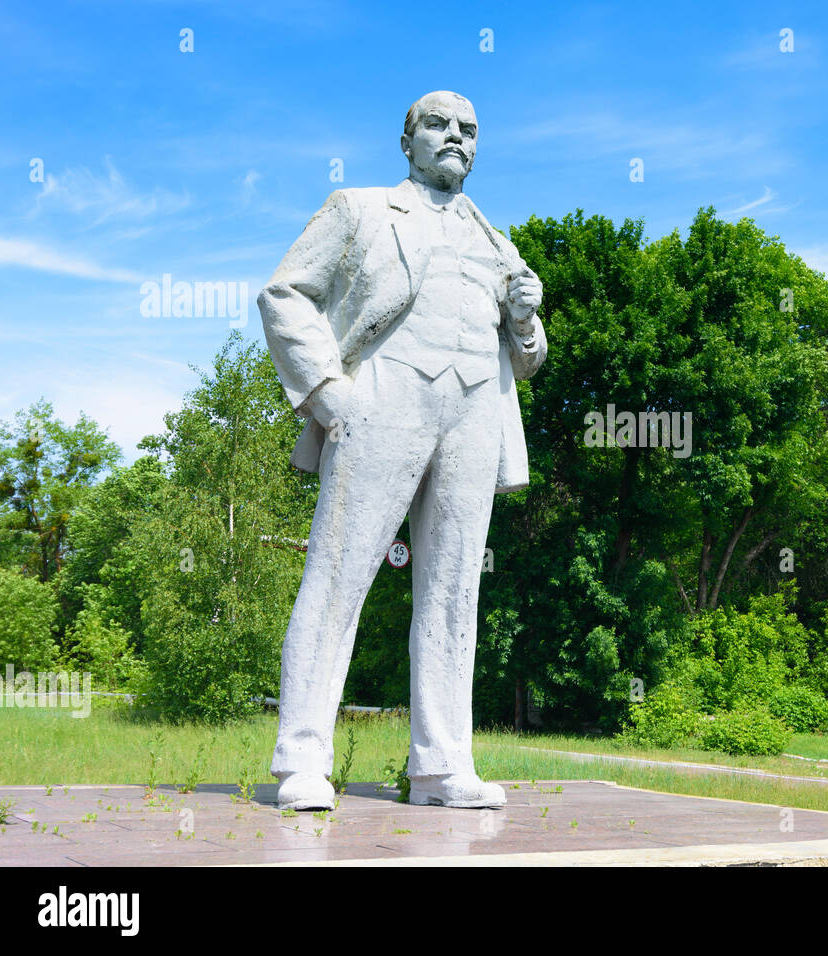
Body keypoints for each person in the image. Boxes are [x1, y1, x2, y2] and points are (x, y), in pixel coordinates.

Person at [258, 91, 546, 810]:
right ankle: (301, 761)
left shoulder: (496, 240)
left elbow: (528, 359)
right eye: (439, 125)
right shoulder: (357, 209)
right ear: (407, 141)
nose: (456, 137)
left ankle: (443, 766)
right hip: (383, 398)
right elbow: (285, 294)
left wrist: (526, 322)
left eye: (469, 130)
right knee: (338, 575)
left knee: (454, 591)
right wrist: (328, 392)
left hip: (476, 411)